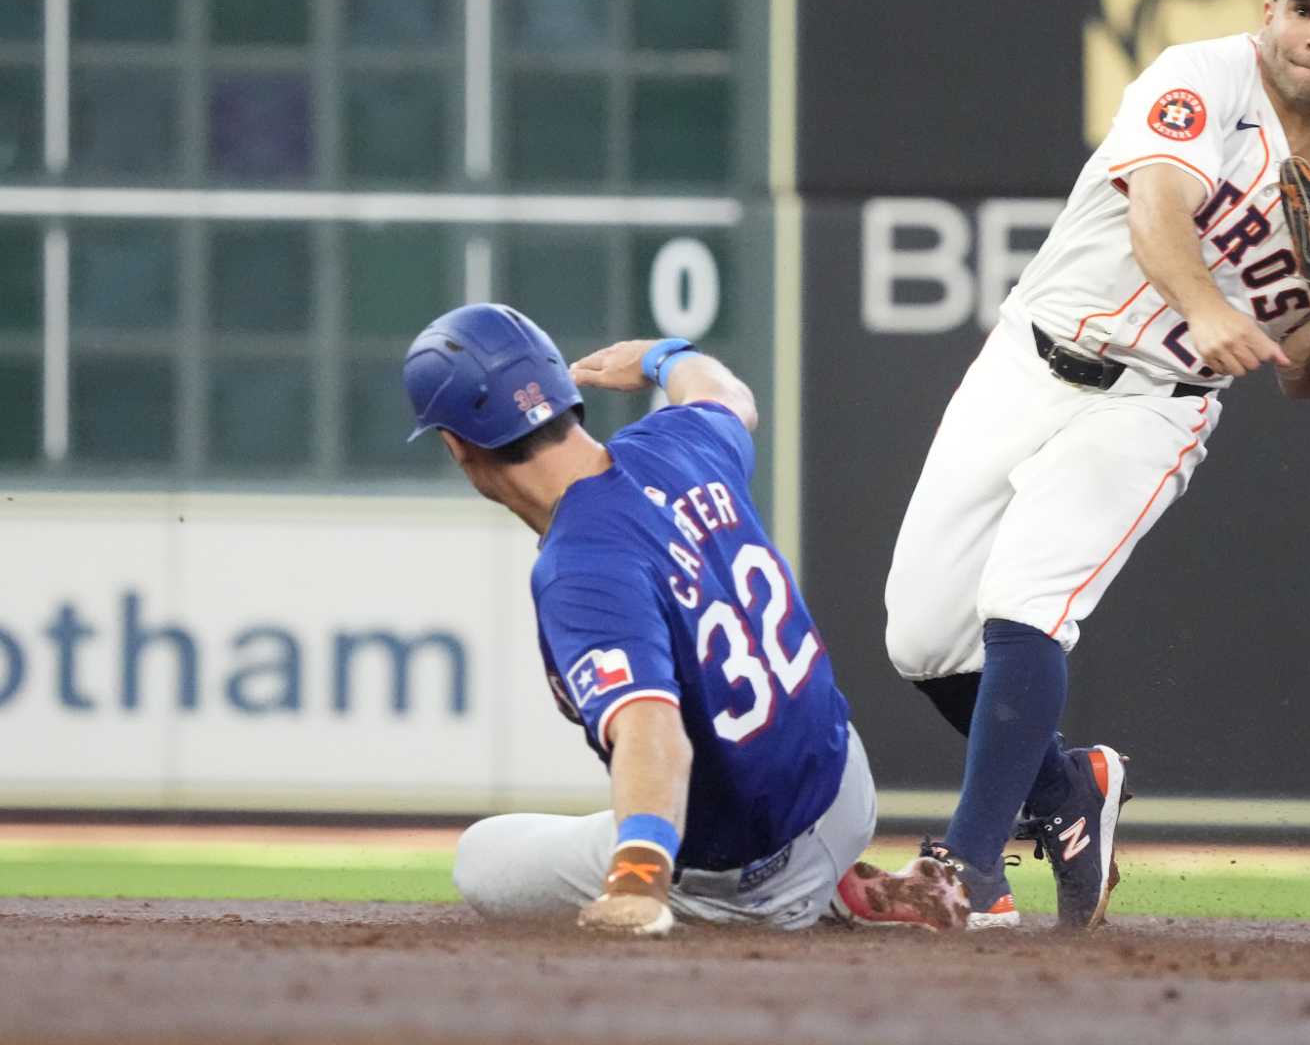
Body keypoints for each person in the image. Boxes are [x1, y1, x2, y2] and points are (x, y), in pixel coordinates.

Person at [871, 0, 1310, 930]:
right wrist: (1207, 305)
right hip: (1028, 359)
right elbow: (1156, 206)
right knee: (920, 636)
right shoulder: (1199, 75)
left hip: (1151, 405)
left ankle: (969, 875)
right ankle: (1073, 794)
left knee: (1025, 603)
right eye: (1305, 9)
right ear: (1269, 13)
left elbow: (1308, 377)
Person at [405, 304, 963, 935]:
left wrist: (639, 879)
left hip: (756, 876)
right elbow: (728, 394)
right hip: (846, 791)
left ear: (457, 444)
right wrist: (661, 357)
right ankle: (838, 881)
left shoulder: (580, 566)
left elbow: (653, 732)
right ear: (564, 389)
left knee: (483, 857)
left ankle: (806, 899)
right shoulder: (675, 443)